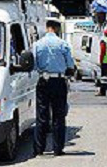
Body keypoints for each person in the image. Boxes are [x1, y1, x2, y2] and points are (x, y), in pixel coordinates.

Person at [32, 20, 75, 157]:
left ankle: (39, 149)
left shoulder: (37, 44)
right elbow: (70, 64)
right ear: (56, 28)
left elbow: (33, 64)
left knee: (42, 116)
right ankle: (58, 149)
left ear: (47, 28)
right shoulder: (63, 44)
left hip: (43, 81)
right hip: (59, 81)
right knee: (58, 116)